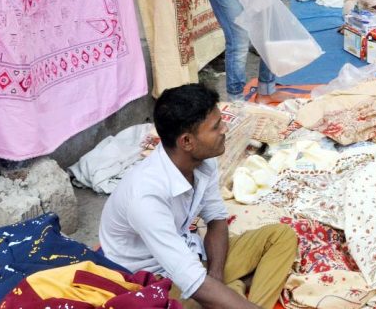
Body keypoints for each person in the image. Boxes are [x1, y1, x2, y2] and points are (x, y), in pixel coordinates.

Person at [99, 84, 298, 309]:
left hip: (191, 258)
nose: (225, 129)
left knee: (280, 236)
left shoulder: (204, 161)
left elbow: (216, 219)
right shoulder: (145, 196)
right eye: (215, 127)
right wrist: (212, 286)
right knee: (205, 297)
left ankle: (231, 293)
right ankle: (234, 292)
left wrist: (216, 275)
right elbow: (190, 280)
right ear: (186, 142)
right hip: (153, 280)